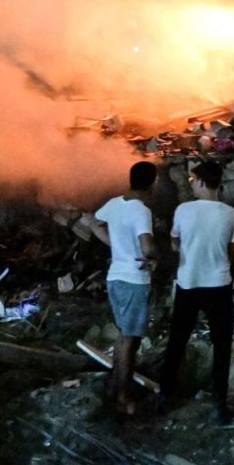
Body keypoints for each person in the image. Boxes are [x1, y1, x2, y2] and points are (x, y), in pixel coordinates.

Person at [162, 159, 234, 423]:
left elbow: (174, 243)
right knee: (222, 345)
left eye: (194, 181)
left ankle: (165, 394)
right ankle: (219, 402)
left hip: (189, 283)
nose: (192, 185)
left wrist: (185, 248)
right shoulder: (231, 213)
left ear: (203, 182)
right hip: (219, 284)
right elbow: (231, 250)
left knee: (177, 340)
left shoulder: (183, 210)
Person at [90, 161, 157, 417]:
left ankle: (114, 386)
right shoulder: (141, 211)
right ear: (152, 183)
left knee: (123, 335)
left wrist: (115, 245)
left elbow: (94, 223)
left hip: (115, 277)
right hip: (133, 280)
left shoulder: (114, 204)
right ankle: (124, 397)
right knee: (131, 340)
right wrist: (155, 257)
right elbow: (147, 245)